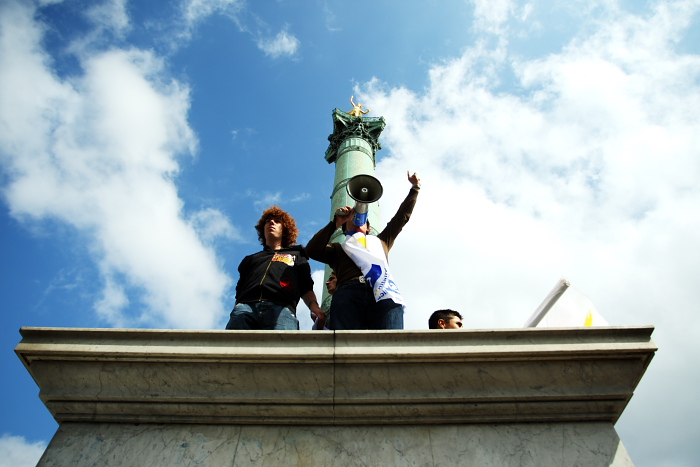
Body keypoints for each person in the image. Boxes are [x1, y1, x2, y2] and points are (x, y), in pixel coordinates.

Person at [306, 171, 421, 330]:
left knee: (390, 343)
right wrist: (335, 223)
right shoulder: (338, 248)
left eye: (360, 218)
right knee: (346, 346)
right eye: (351, 218)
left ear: (368, 227)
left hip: (383, 292)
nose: (355, 218)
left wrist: (415, 188)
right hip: (348, 293)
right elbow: (312, 250)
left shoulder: (381, 241)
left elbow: (402, 217)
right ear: (345, 228)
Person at [226, 206, 325, 330]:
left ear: (285, 229)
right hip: (245, 308)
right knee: (236, 347)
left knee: (282, 349)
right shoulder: (250, 259)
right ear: (263, 229)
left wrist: (314, 306)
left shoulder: (297, 256)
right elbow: (240, 288)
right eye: (268, 221)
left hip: (282, 308)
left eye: (277, 221)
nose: (271, 223)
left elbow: (306, 286)